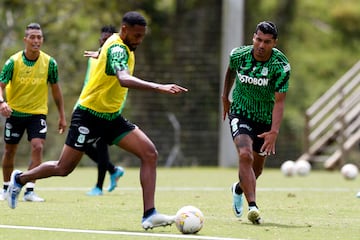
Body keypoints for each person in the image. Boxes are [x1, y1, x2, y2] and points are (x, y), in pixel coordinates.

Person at [5, 11, 188, 230]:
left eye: (142, 36)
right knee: (63, 168)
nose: (140, 40)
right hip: (89, 115)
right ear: (124, 30)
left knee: (149, 153)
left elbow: (107, 49)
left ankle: (149, 214)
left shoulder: (117, 42)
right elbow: (123, 79)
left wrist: (100, 54)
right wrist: (159, 86)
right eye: (136, 36)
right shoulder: (119, 48)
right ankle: (20, 179)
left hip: (111, 117)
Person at [222, 21, 290, 224]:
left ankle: (238, 189)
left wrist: (274, 131)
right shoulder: (238, 55)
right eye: (258, 40)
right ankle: (253, 206)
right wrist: (225, 97)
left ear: (274, 43)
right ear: (253, 37)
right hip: (240, 112)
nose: (261, 45)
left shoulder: (281, 66)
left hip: (265, 119)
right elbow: (230, 72)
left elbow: (279, 102)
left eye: (267, 42)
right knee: (245, 155)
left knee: (257, 169)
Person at [0, 23, 66, 202]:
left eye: (39, 37)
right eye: (32, 37)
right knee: (10, 150)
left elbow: (56, 90)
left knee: (38, 147)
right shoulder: (13, 62)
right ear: (25, 40)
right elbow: (1, 86)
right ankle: (6, 188)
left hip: (37, 114)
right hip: (15, 113)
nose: (36, 41)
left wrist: (62, 115)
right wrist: (2, 102)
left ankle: (29, 189)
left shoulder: (50, 63)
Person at [82, 25, 124, 196]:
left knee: (101, 145)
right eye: (103, 39)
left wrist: (117, 108)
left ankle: (99, 187)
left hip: (109, 110)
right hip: (90, 107)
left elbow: (122, 85)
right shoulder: (93, 59)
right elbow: (88, 83)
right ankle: (113, 170)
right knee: (83, 144)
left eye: (108, 39)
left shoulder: (118, 57)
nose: (105, 42)